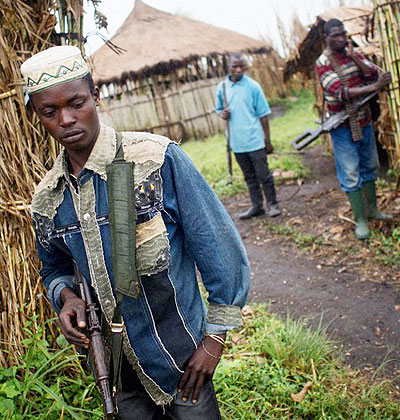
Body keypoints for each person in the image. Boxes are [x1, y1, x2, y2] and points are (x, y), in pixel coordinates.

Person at [21, 46, 250, 419]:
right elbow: (53, 268)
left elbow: (217, 248)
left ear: (95, 97)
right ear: (38, 117)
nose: (66, 119)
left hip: (184, 362)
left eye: (76, 103)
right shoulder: (48, 199)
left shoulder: (154, 160)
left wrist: (215, 339)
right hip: (118, 374)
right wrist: (65, 296)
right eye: (50, 112)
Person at [316, 19, 392, 239]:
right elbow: (341, 92)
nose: (341, 39)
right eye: (335, 36)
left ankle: (372, 210)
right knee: (350, 172)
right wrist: (374, 87)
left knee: (370, 165)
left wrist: (354, 59)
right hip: (342, 125)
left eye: (343, 34)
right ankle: (360, 220)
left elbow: (373, 73)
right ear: (326, 38)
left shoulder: (353, 54)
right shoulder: (323, 62)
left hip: (363, 121)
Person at [215, 52, 280, 220]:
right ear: (228, 67)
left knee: (264, 175)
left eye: (241, 66)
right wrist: (223, 114)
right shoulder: (222, 88)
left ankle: (272, 204)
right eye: (234, 66)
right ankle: (257, 206)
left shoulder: (253, 86)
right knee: (249, 177)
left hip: (254, 140)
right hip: (236, 142)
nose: (238, 69)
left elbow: (263, 115)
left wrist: (267, 140)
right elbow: (219, 110)